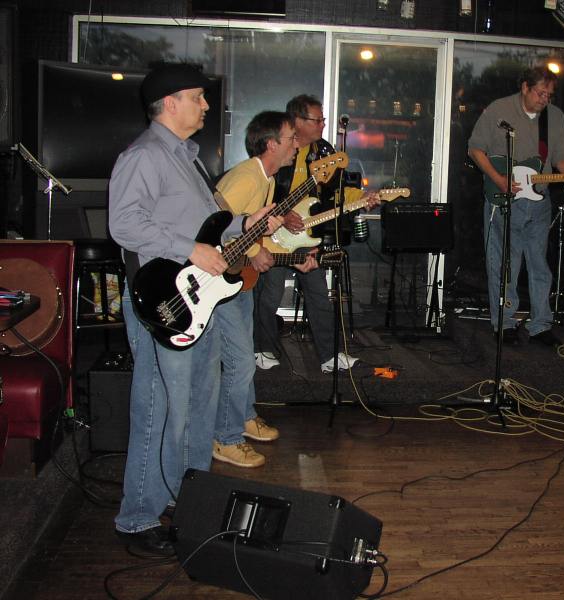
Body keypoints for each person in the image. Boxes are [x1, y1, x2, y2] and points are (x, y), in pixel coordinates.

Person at [108, 64, 280, 555]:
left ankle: (190, 501)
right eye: (198, 97)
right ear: (170, 103)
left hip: (197, 300)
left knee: (199, 406)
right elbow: (124, 224)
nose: (206, 106)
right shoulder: (144, 156)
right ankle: (138, 519)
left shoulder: (188, 158)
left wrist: (247, 222)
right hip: (163, 302)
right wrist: (189, 249)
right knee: (159, 408)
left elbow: (207, 226)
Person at [211, 110, 317, 468]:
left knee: (243, 356)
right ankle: (225, 438)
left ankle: (243, 416)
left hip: (237, 280)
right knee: (240, 359)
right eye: (290, 138)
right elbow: (214, 224)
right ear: (272, 144)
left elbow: (255, 234)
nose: (296, 144)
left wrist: (292, 257)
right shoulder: (247, 178)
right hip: (219, 281)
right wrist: (254, 251)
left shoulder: (266, 179)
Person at [253, 94, 379, 373]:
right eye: (317, 119)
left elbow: (336, 191)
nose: (323, 124)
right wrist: (281, 216)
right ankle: (261, 348)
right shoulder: (278, 147)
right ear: (297, 121)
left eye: (323, 119)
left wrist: (362, 197)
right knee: (270, 293)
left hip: (304, 235)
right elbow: (259, 192)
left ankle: (329, 356)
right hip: (273, 233)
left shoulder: (323, 152)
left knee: (319, 292)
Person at [468, 66, 564, 349]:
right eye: (540, 93)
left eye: (549, 95)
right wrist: (498, 179)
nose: (545, 100)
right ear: (525, 87)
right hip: (504, 199)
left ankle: (540, 324)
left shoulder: (555, 117)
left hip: (539, 201)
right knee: (505, 265)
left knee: (539, 264)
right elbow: (475, 149)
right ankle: (504, 323)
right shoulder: (499, 110)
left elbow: (561, 158)